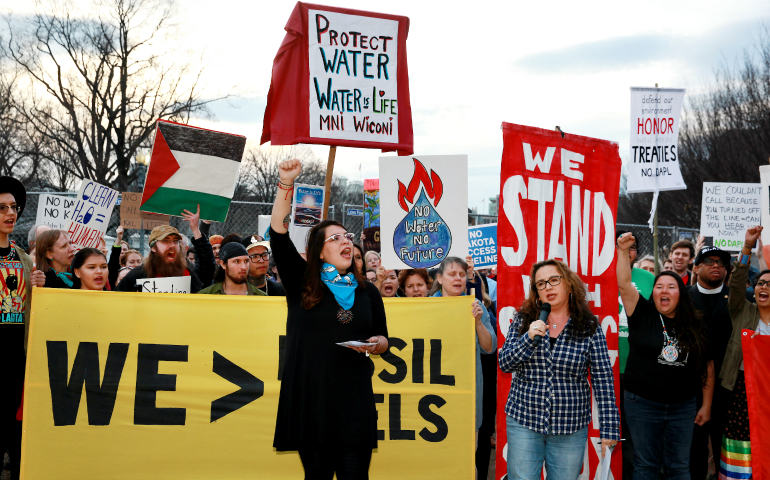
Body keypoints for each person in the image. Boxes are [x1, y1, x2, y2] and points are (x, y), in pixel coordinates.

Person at [270, 158, 388, 478]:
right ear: (320, 252)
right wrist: (286, 183)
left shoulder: (368, 292)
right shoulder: (302, 284)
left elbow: (382, 337)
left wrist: (376, 344)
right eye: (335, 238)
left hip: (354, 405)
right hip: (312, 405)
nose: (345, 241)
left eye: (347, 236)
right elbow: (278, 234)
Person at [499, 258, 619, 480]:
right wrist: (528, 338)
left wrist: (610, 429)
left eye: (554, 280)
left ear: (569, 284)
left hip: (570, 426)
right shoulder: (524, 319)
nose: (548, 287)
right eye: (541, 284)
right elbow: (505, 363)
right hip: (525, 420)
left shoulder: (588, 325)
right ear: (536, 291)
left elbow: (603, 379)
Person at [617, 232, 712, 480]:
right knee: (645, 465)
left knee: (679, 466)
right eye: (659, 286)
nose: (664, 291)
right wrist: (622, 251)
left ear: (681, 293)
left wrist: (707, 404)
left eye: (671, 286)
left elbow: (707, 365)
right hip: (642, 404)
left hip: (683, 406)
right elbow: (624, 284)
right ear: (653, 292)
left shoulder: (695, 322)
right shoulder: (641, 313)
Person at [718, 225, 768, 479]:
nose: (763, 288)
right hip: (738, 389)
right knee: (740, 442)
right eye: (760, 283)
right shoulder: (742, 310)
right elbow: (737, 283)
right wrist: (747, 247)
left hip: (767, 395)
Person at [430, 258, 495, 438]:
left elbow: (489, 348)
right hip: (434, 391)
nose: (458, 279)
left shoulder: (476, 307)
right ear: (440, 278)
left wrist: (478, 323)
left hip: (467, 391)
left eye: (462, 275)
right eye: (452, 274)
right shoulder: (426, 307)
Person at [687, 246, 733, 480]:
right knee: (694, 447)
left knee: (725, 445)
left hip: (729, 385)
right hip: (689, 385)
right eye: (709, 261)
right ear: (696, 267)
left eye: (721, 263)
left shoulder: (738, 299)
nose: (716, 265)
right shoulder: (683, 297)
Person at [0, 177, 32, 480]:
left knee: (15, 432)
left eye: (13, 207)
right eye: (2, 208)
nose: (10, 213)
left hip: (17, 360)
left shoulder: (23, 259)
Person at [117, 207, 214, 293]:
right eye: (165, 241)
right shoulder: (137, 275)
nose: (172, 245)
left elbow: (207, 270)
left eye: (175, 241)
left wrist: (196, 230)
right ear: (153, 248)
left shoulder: (187, 275)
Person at [198, 243, 267, 296]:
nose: (243, 267)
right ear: (223, 264)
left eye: (246, 261)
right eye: (237, 261)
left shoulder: (261, 297)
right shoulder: (206, 296)